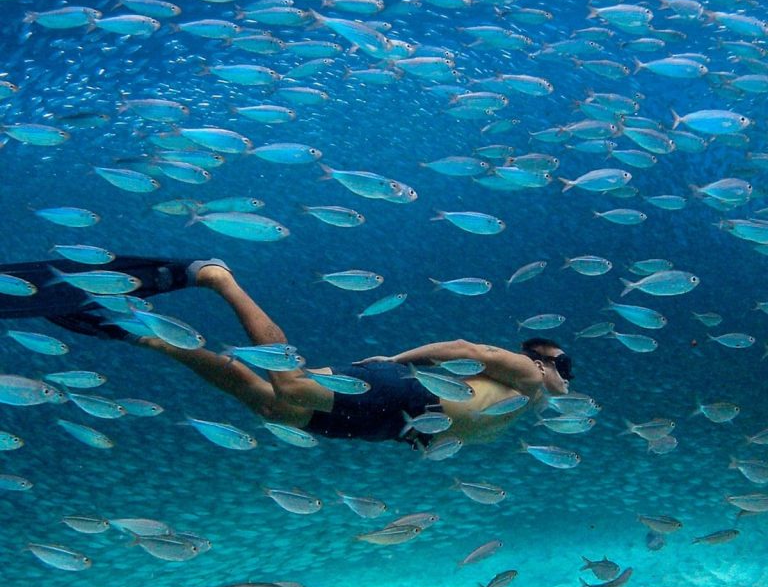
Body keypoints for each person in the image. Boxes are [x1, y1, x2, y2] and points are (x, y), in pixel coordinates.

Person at [0, 256, 573, 450]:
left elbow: (458, 428)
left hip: (393, 426)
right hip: (408, 390)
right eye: (563, 371)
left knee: (274, 408)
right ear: (550, 362)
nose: (565, 383)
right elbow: (462, 348)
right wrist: (395, 362)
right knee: (291, 384)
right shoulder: (529, 371)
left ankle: (147, 336)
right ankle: (219, 278)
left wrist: (424, 446)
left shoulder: (524, 410)